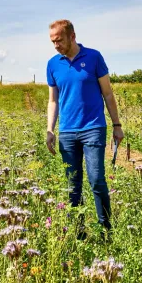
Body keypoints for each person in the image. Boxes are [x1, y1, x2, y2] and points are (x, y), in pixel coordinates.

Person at [46, 20, 124, 238]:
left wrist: (117, 125)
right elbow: (53, 101)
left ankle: (106, 230)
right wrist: (50, 129)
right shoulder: (53, 64)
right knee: (73, 184)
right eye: (52, 41)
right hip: (67, 132)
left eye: (59, 40)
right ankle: (79, 232)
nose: (56, 45)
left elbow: (107, 93)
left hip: (93, 128)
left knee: (96, 179)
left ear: (72, 36)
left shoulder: (94, 57)